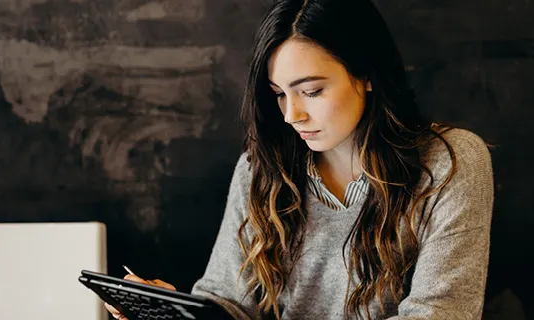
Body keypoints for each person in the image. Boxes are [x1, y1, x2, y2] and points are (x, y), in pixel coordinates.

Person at [106, 0, 494, 319]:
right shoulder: (260, 169)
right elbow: (231, 302)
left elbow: (442, 312)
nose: (291, 115)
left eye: (310, 91)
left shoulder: (449, 162)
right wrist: (180, 311)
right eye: (278, 94)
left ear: (367, 75)